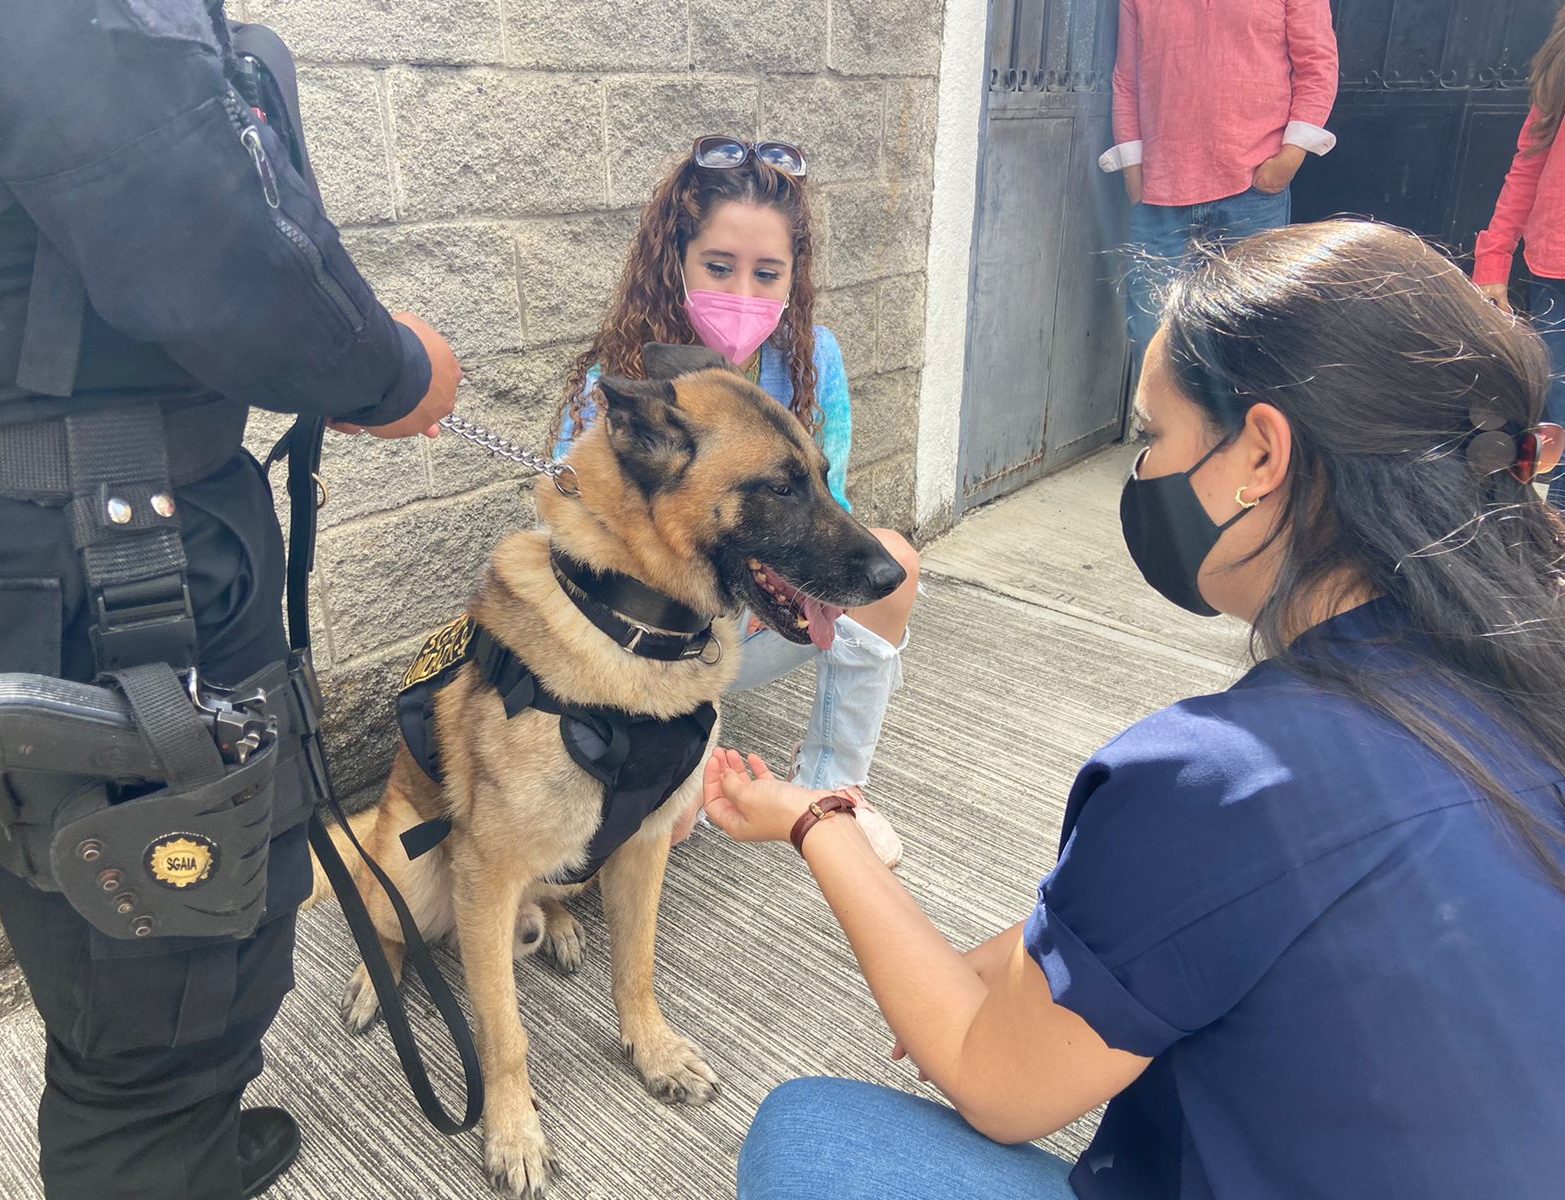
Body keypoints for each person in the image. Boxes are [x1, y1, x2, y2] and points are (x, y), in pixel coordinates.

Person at [704, 221, 1565, 1200]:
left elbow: (996, 1079)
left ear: (1261, 456)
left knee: (814, 1133)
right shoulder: (1522, 679)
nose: (1143, 471)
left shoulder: (1224, 778)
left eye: (1153, 435)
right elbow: (1239, 911)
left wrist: (818, 822)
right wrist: (1029, 954)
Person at [0, 4, 461, 1198]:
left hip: (85, 536)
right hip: (115, 551)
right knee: (161, 958)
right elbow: (194, 223)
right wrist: (388, 366)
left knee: (137, 912)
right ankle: (155, 1157)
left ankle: (183, 1142)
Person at [555, 136, 921, 867]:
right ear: (678, 261)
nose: (744, 295)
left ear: (795, 275)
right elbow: (585, 537)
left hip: (748, 619)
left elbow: (827, 509)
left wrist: (779, 595)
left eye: (768, 272)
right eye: (719, 268)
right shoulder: (623, 380)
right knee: (676, 824)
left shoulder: (813, 357)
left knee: (891, 567)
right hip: (648, 635)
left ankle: (830, 790)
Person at [1103, 0, 1339, 366]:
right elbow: (1126, 78)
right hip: (1161, 194)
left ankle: (1236, 427)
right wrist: (1133, 170)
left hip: (1252, 188)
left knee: (1245, 336)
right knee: (1152, 336)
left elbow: (1317, 63)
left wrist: (1291, 157)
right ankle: (1155, 425)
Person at [1475, 6, 1565, 510]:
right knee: (1556, 411)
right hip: (1556, 266)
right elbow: (1526, 169)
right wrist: (1493, 258)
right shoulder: (1561, 67)